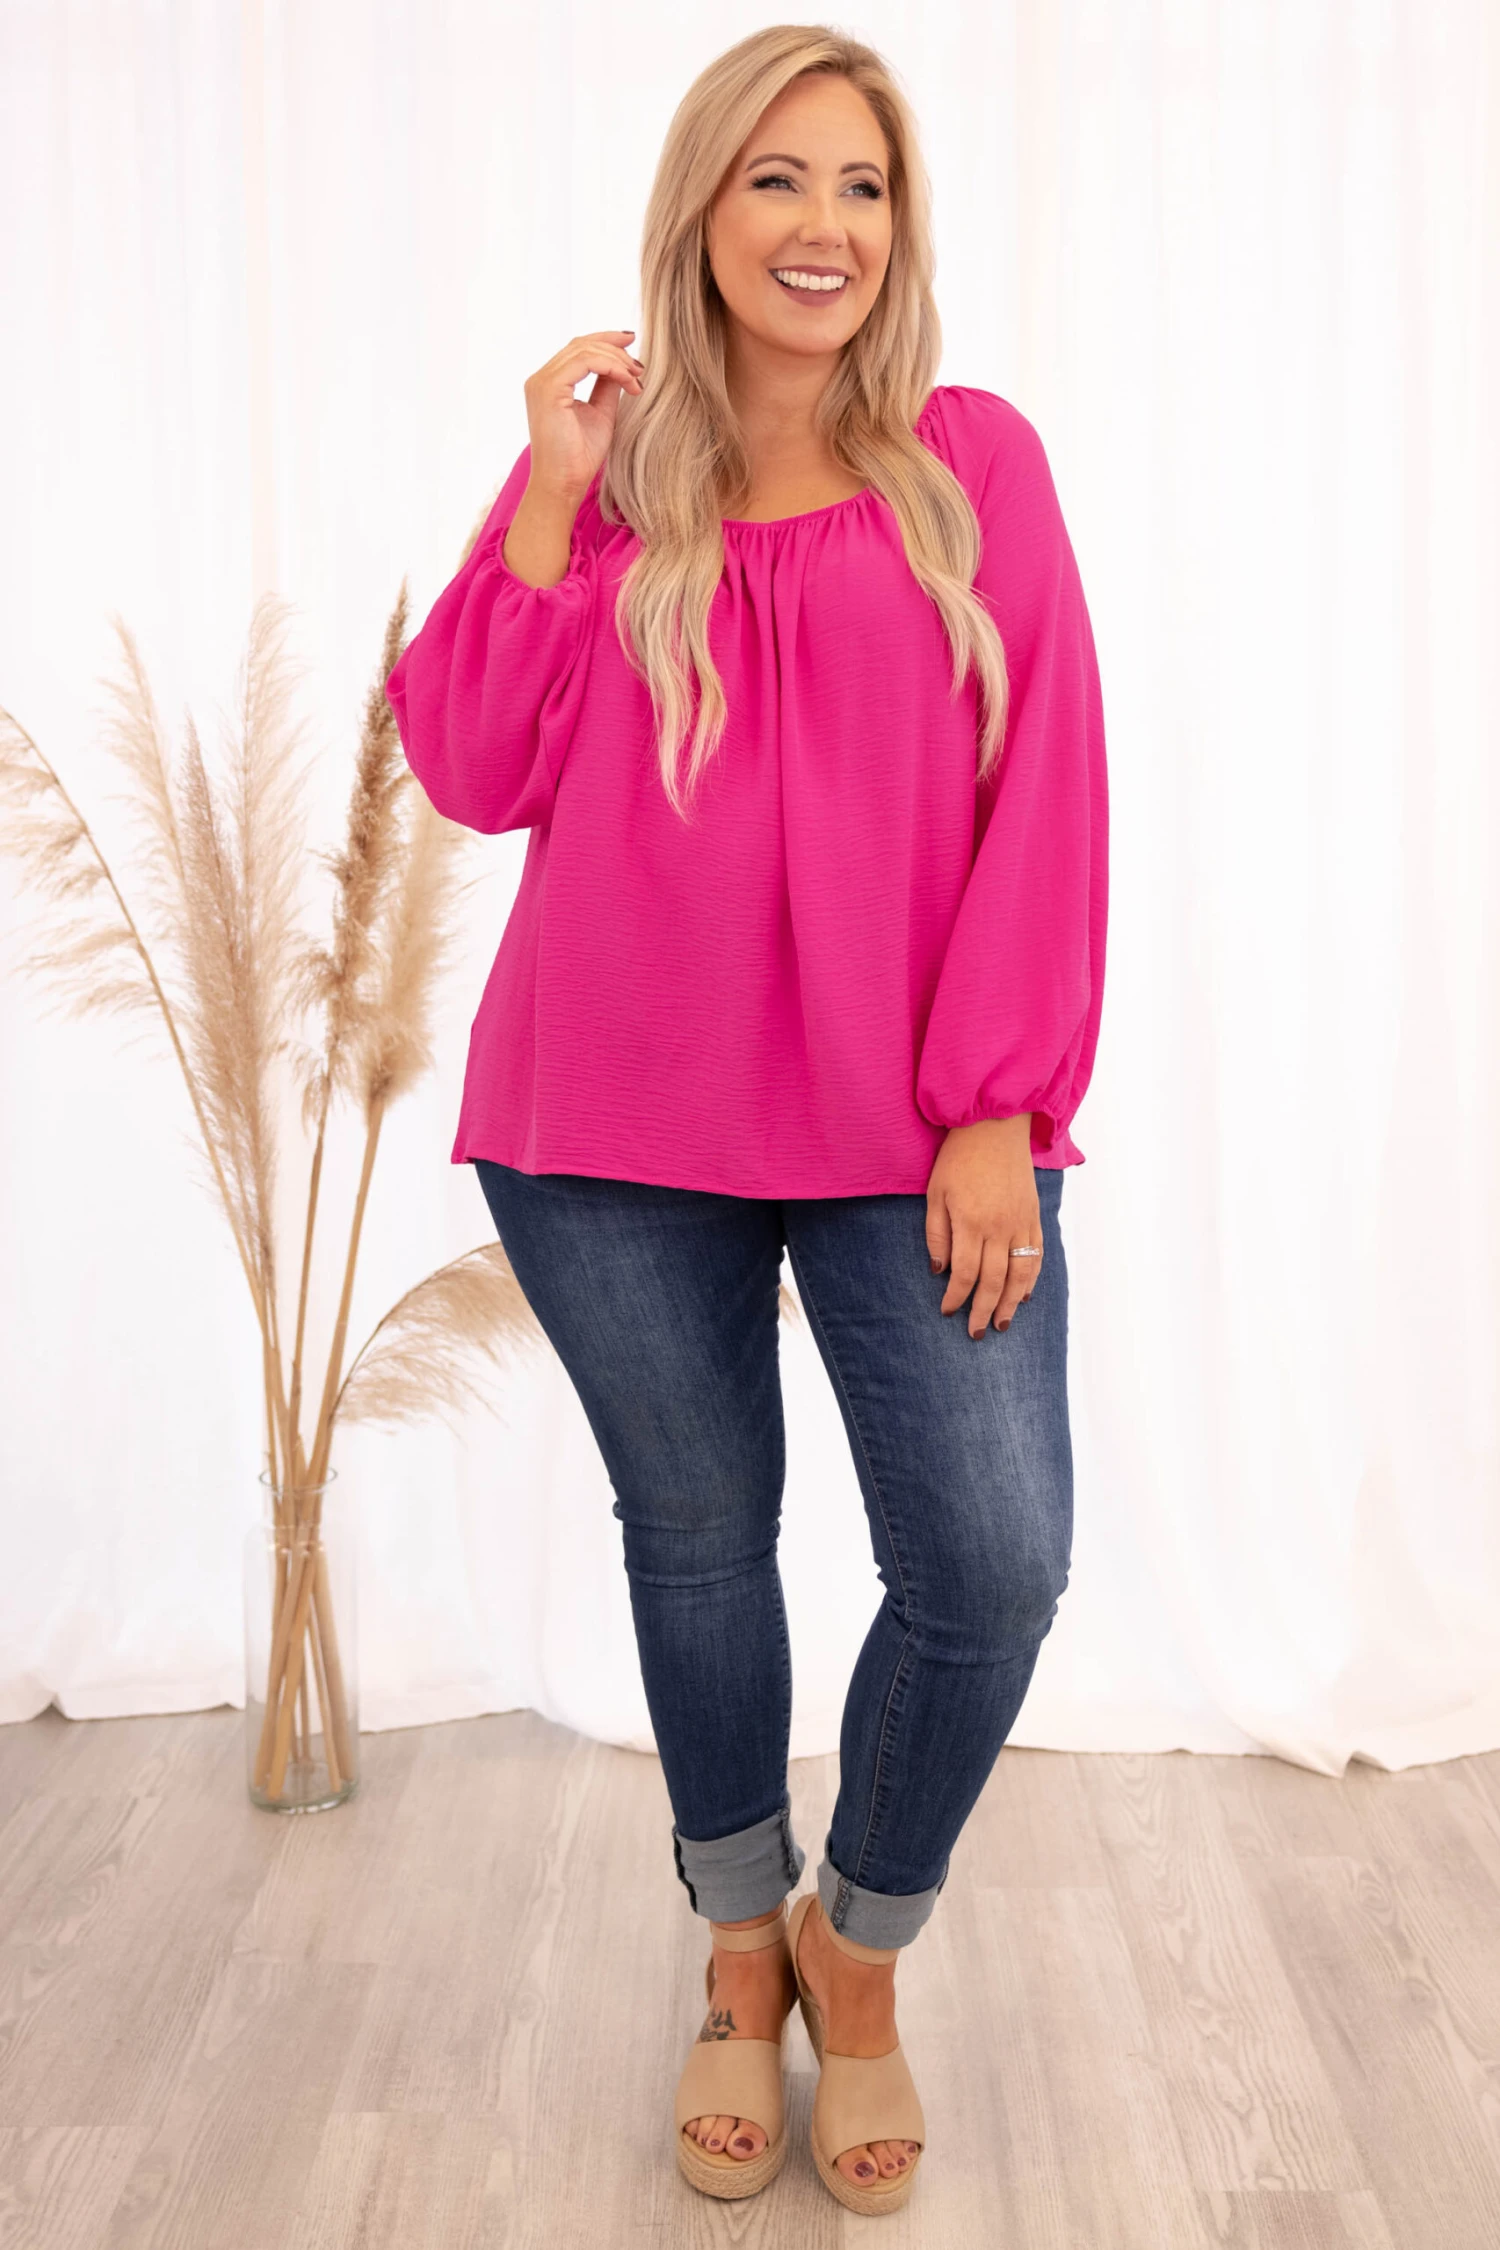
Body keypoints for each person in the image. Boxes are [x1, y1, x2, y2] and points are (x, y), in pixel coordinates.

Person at [385, 22, 1108, 2220]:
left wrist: (999, 1106)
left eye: (862, 186)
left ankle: (850, 1948)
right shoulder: (610, 491)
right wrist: (542, 492)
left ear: (903, 228)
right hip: (608, 1124)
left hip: (916, 1131)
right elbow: (471, 766)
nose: (824, 227)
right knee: (696, 1544)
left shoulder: (975, 461)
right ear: (702, 214)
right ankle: (734, 1953)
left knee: (992, 1563)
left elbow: (1049, 787)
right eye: (779, 180)